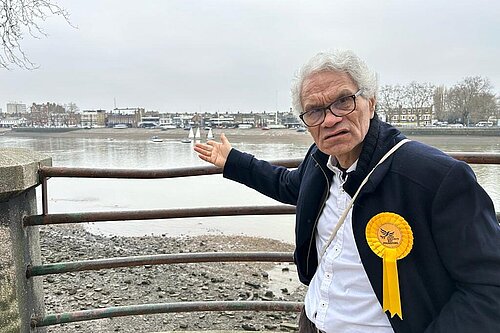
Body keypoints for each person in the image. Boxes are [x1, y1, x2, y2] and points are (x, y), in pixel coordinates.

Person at [193, 50, 500, 333]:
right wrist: (233, 162)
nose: (329, 119)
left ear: (372, 101)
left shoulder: (436, 177)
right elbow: (287, 185)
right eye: (314, 110)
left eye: (343, 101)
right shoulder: (319, 163)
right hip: (313, 322)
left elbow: (488, 288)